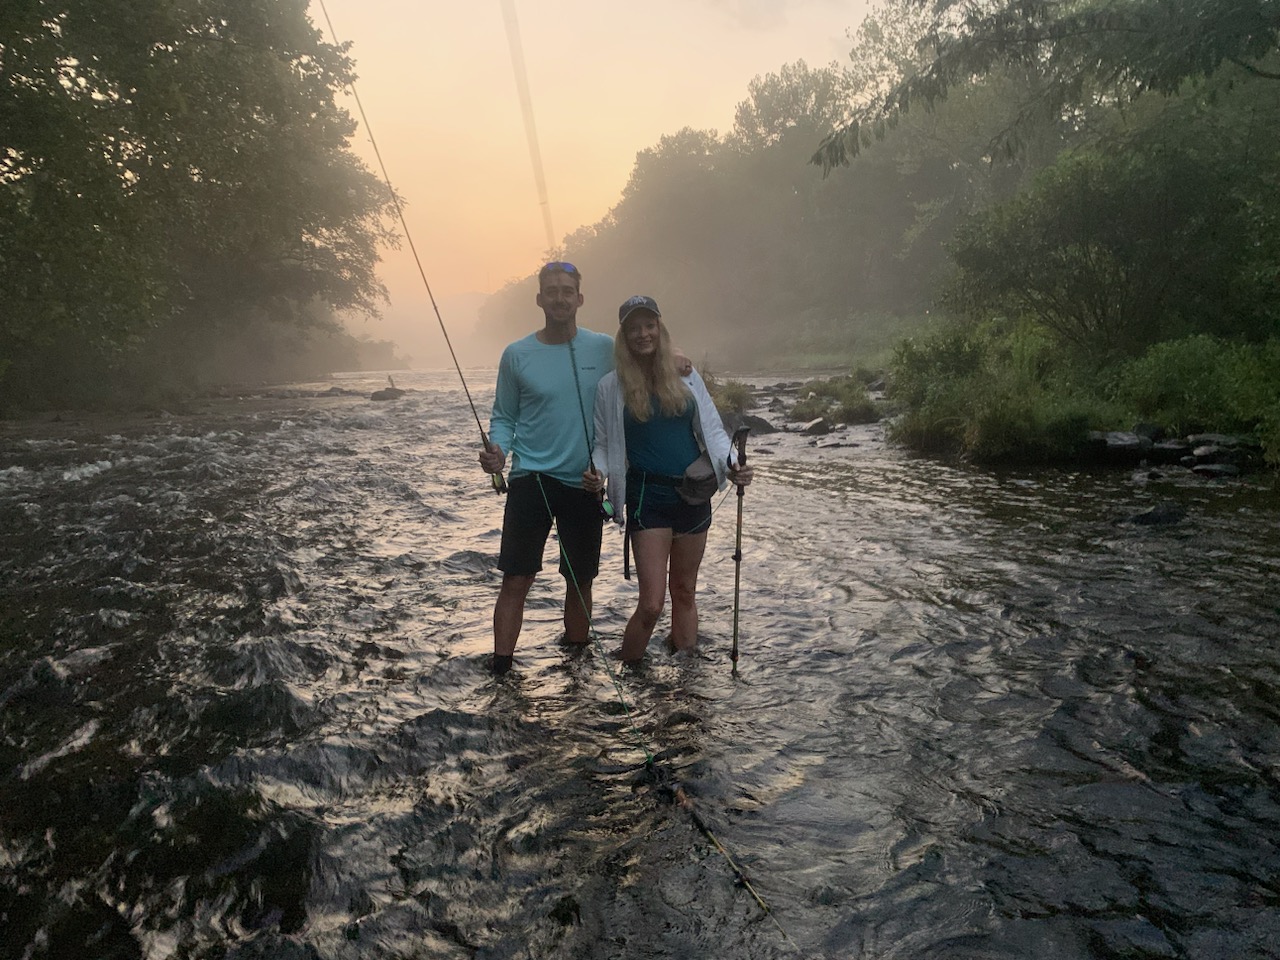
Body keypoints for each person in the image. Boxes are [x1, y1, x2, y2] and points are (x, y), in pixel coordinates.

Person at [478, 264, 691, 675]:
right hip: (529, 479)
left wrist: (677, 356)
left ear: (580, 298)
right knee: (516, 579)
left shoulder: (601, 349)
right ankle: (501, 668)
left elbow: (646, 354)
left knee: (580, 581)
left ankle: (575, 666)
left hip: (585, 483)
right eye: (551, 291)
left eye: (567, 291)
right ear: (539, 299)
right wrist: (498, 450)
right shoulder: (516, 354)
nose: (559, 298)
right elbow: (504, 416)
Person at [584, 295, 753, 663]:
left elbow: (712, 429)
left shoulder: (687, 377)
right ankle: (627, 679)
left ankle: (687, 687)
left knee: (685, 592)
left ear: (660, 328)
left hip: (693, 495)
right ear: (624, 336)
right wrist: (597, 472)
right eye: (634, 328)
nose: (643, 334)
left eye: (649, 325)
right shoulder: (610, 388)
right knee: (651, 604)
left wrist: (733, 466)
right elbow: (603, 444)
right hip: (648, 497)